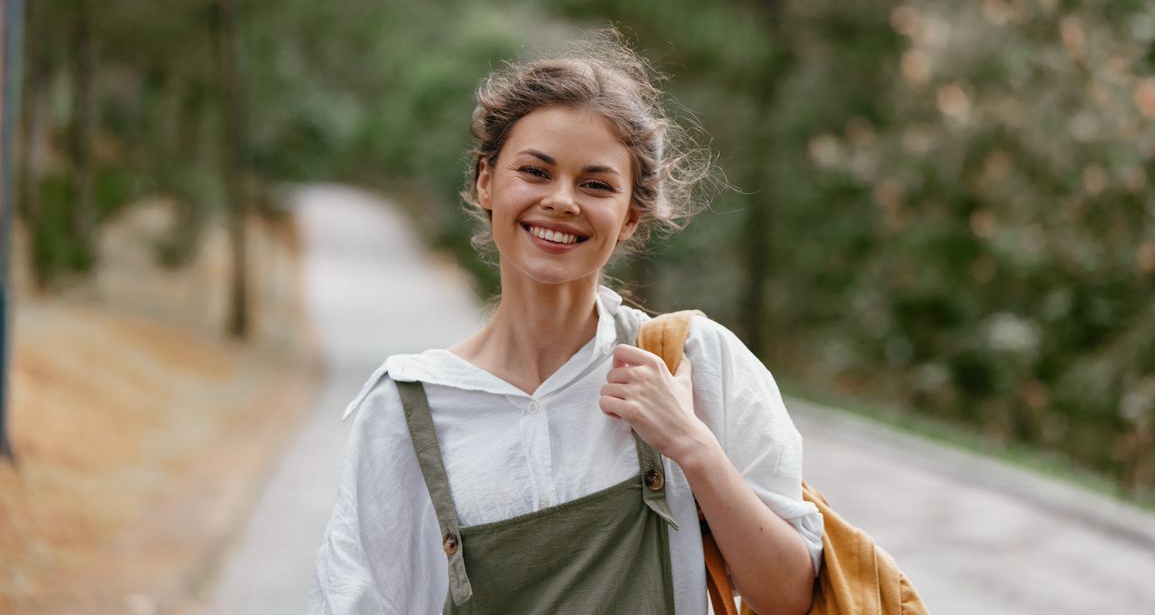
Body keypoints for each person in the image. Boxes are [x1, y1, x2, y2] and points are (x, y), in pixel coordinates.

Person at [308, 36, 823, 614]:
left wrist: (692, 446)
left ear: (630, 216)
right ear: (487, 181)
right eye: (535, 171)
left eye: (596, 184)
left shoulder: (697, 362)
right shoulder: (407, 410)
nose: (562, 201)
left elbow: (791, 598)